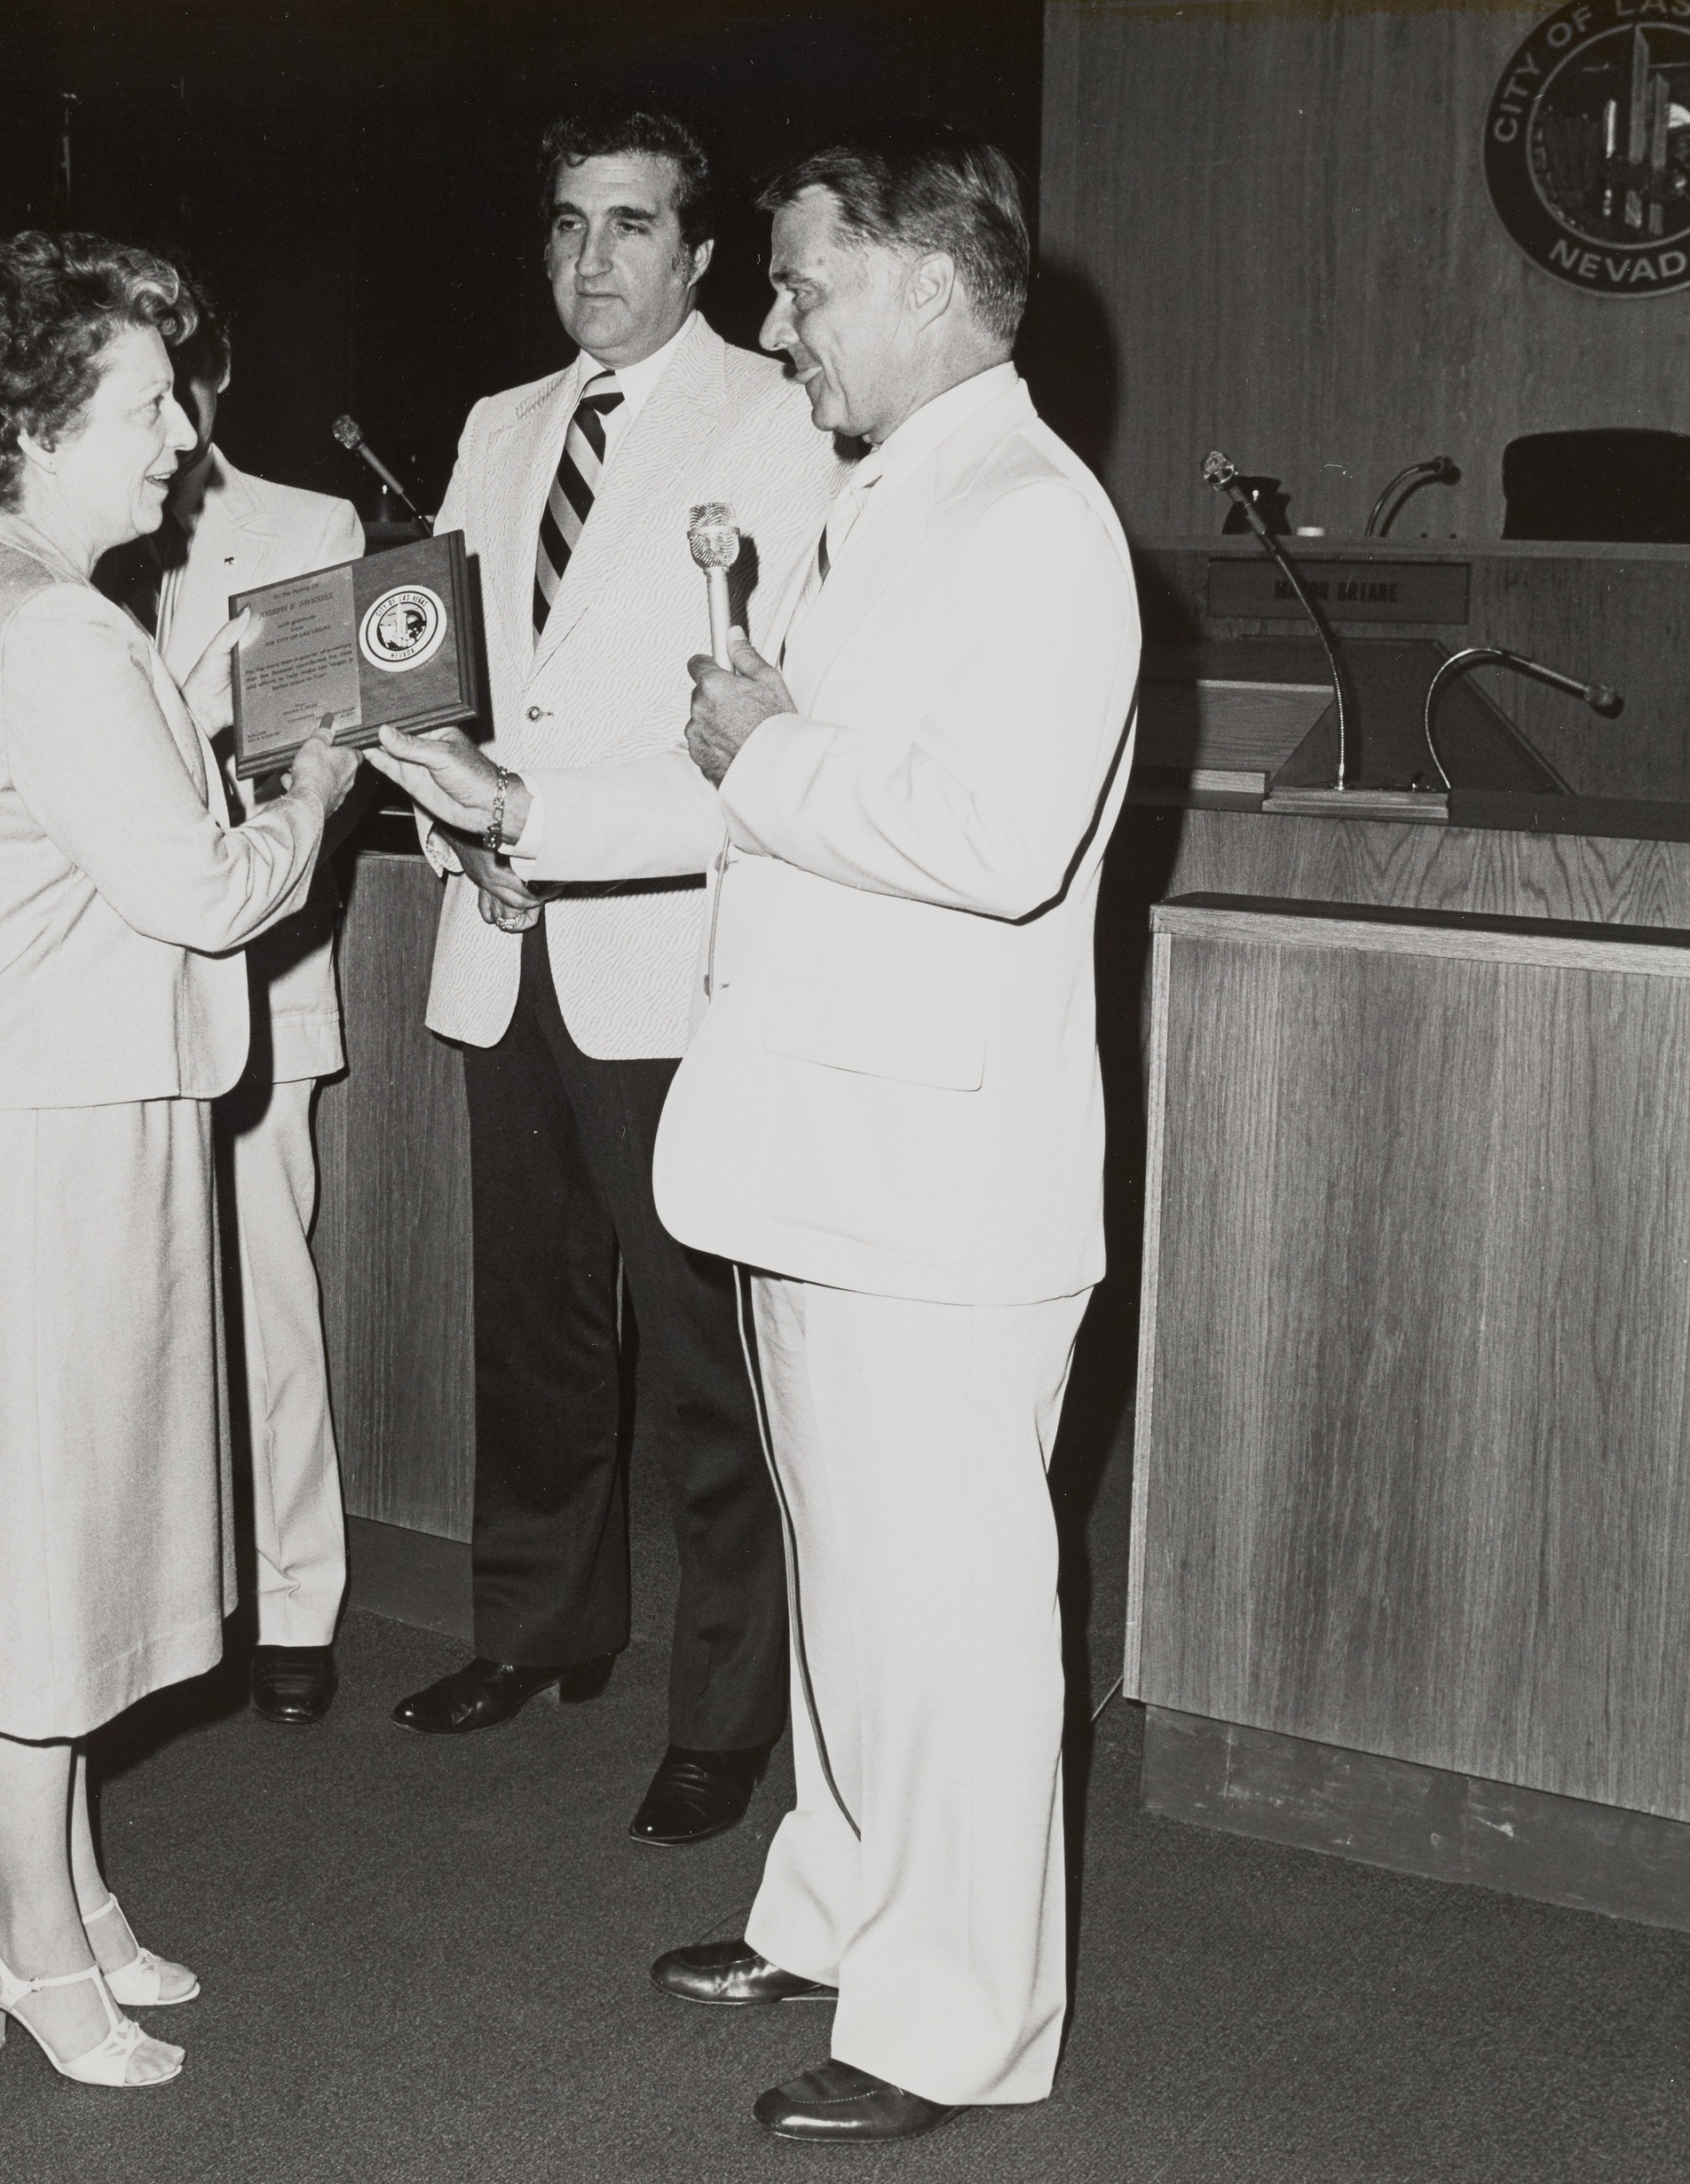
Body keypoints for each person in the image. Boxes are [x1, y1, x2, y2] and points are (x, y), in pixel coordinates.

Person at [655, 122, 1137, 2141]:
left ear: (935, 281)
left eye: (805, 284)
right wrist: (775, 731)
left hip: (936, 1182)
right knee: (852, 1586)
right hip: (825, 1153)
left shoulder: (1030, 514)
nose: (779, 327)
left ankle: (952, 2024)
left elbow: (993, 843)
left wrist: (767, 751)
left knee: (944, 1622)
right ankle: (840, 1912)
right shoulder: (894, 499)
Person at [0, 230, 357, 2089]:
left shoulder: (5, 593)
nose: (180, 435)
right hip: (42, 1147)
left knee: (67, 1537)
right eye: (144, 403)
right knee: (30, 1559)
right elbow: (201, 887)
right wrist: (314, 786)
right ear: (34, 423)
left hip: (72, 1120)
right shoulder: (52, 621)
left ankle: (69, 1902)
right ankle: (21, 1937)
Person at [382, 112, 844, 1849]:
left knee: (705, 1365)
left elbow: (753, 728)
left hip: (673, 954)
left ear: (700, 255)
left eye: (632, 227)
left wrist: (541, 824)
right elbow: (425, 677)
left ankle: (721, 1711)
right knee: (535, 1334)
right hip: (507, 942)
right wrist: (457, 840)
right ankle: (536, 1628)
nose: (593, 261)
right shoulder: (499, 427)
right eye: (568, 224)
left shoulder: (779, 420)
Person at [106, 280, 367, 1727]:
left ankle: (290, 1603)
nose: (163, 420)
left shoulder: (303, 529)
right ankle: (147, 1606)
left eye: (181, 383)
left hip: (249, 967)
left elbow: (310, 763)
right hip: (88, 984)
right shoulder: (50, 538)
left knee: (265, 1291)